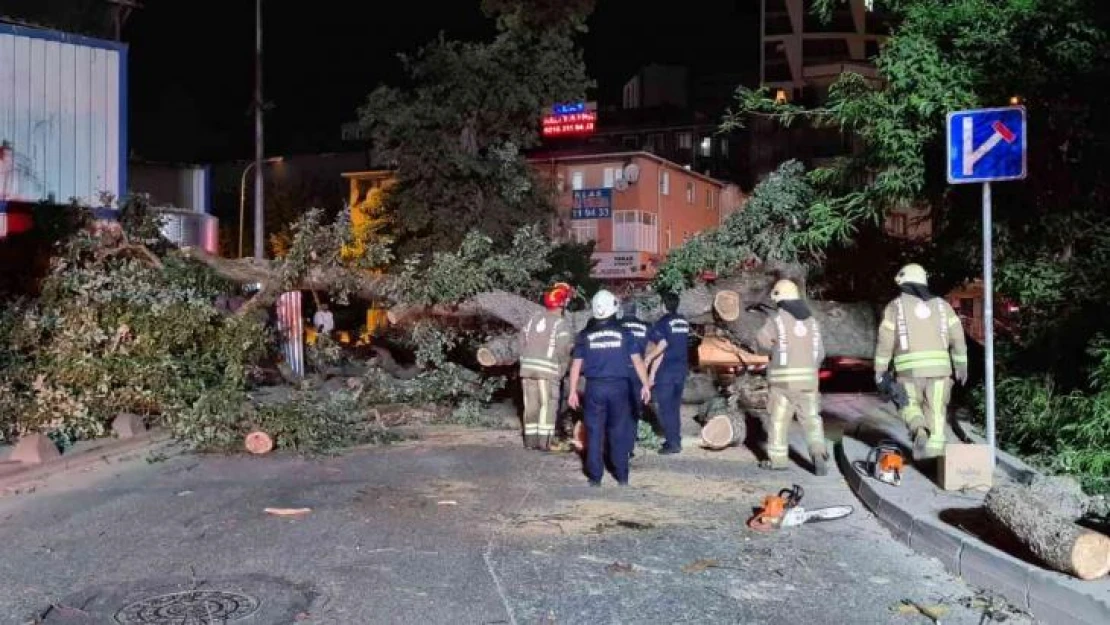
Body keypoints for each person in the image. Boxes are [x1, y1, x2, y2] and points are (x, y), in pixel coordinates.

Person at [875, 263, 968, 459]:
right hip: (941, 373)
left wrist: (880, 370)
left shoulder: (895, 306)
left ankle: (918, 428)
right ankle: (934, 460)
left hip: (908, 373)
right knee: (936, 411)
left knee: (907, 403)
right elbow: (958, 337)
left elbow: (885, 341)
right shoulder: (943, 306)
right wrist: (961, 365)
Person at [568, 290, 652, 486]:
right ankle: (621, 475)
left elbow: (576, 366)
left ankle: (595, 477)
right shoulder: (625, 333)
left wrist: (572, 391)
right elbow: (638, 362)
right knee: (618, 430)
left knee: (595, 431)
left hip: (594, 388)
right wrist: (646, 385)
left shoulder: (585, 335)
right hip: (619, 388)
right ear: (614, 308)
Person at [755, 279, 829, 474]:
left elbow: (761, 342)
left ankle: (778, 460)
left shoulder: (776, 320)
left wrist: (776, 350)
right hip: (809, 382)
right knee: (812, 418)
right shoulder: (812, 322)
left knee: (778, 421)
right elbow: (820, 353)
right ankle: (818, 452)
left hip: (783, 383)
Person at [518, 283, 574, 450]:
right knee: (547, 405)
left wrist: (524, 361)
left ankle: (530, 442)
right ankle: (544, 443)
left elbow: (521, 341)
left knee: (531, 406)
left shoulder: (533, 319)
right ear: (562, 303)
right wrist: (562, 370)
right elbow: (564, 350)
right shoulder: (560, 324)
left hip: (527, 370)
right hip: (548, 372)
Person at [644, 291, 690, 454]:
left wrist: (649, 359)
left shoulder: (662, 323)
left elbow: (662, 347)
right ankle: (675, 439)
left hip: (667, 371)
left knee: (665, 408)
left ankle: (672, 443)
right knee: (675, 407)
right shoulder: (683, 321)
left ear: (663, 305)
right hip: (681, 370)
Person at [619, 300, 649, 457]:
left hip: (619, 371)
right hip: (638, 372)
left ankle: (618, 444)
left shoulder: (617, 326)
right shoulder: (644, 326)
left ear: (622, 311)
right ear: (636, 311)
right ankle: (629, 447)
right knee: (633, 411)